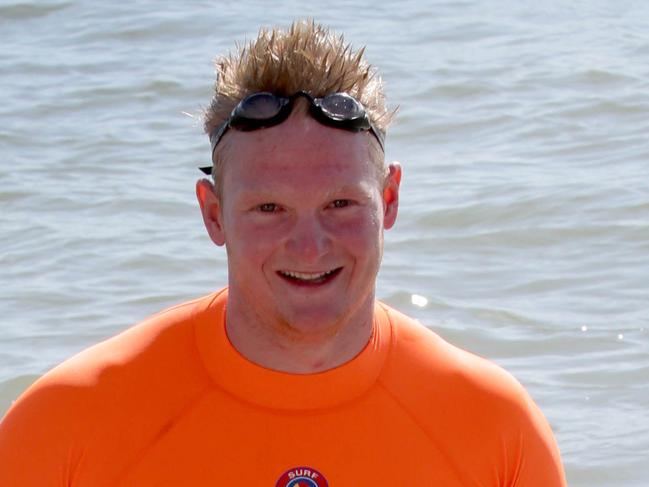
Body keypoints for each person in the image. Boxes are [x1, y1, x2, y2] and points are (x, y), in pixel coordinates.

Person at [0, 20, 566, 486]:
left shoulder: (495, 428)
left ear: (389, 199)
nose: (310, 245)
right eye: (269, 208)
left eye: (340, 203)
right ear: (213, 213)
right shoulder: (66, 423)